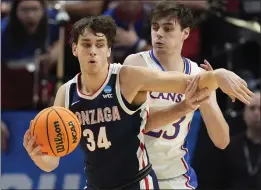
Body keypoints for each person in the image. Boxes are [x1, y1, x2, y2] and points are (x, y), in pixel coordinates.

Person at [23, 16, 253, 190]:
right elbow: (52, 161)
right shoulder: (67, 92)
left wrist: (218, 75)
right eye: (86, 44)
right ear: (74, 49)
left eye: (99, 45)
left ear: (109, 51)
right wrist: (38, 155)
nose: (93, 51)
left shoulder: (127, 78)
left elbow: (186, 82)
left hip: (137, 183)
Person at [122, 1, 231, 189]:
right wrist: (184, 107)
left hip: (176, 177)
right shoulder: (135, 65)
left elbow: (222, 141)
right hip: (136, 174)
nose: (159, 34)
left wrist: (206, 98)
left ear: (185, 33)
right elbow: (133, 127)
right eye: (155, 28)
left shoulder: (197, 74)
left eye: (168, 28)